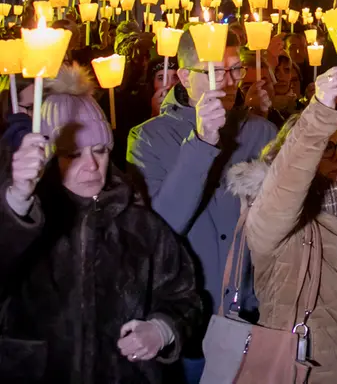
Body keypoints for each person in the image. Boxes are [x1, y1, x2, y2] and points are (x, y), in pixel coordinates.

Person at [0, 64, 201, 383]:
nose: (92, 165)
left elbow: (184, 295)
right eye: (73, 154)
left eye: (100, 151)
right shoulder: (24, 221)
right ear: (48, 157)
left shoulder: (139, 223)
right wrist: (17, 200)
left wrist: (162, 329)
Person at [126, 29, 276, 382]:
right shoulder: (149, 138)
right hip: (189, 319)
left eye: (235, 70)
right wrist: (203, 142)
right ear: (182, 77)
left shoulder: (263, 133)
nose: (226, 83)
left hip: (254, 315)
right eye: (213, 72)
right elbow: (161, 227)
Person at [225, 66, 337, 383]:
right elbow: (288, 179)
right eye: (325, 147)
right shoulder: (275, 208)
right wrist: (321, 111)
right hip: (300, 370)